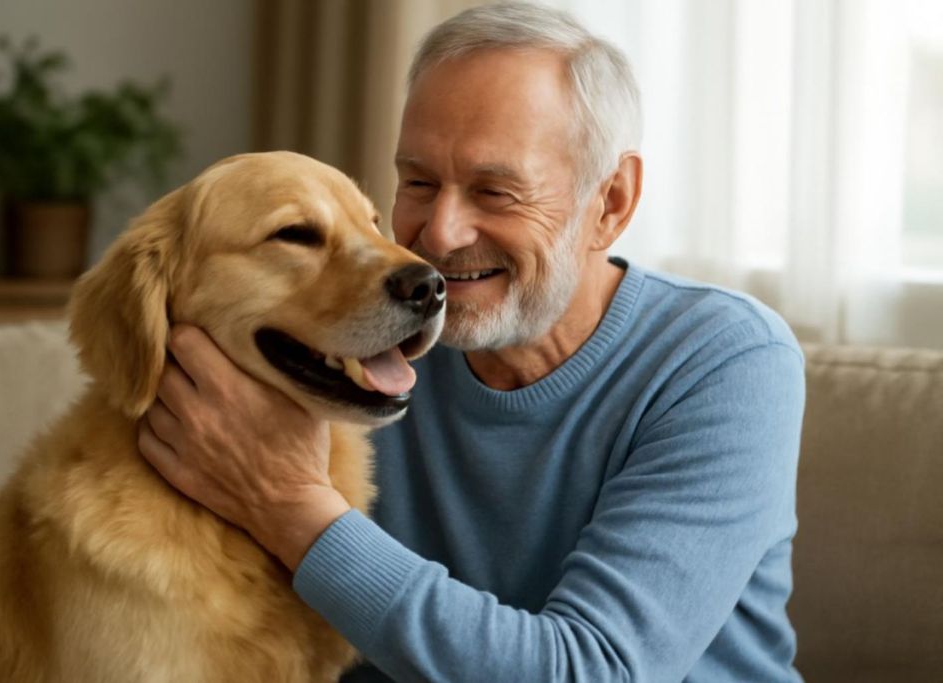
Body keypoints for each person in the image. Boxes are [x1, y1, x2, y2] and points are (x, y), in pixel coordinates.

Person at [138, 3, 805, 681]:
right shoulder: (339, 345)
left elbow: (592, 670)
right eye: (419, 182)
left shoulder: (727, 360)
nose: (439, 233)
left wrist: (288, 505)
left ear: (610, 203)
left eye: (495, 191)